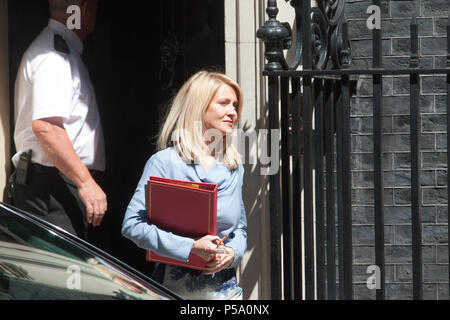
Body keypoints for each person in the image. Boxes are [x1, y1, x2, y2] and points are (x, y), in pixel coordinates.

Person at [122, 71, 247, 300]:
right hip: (172, 290)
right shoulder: (164, 163)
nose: (233, 112)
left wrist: (232, 252)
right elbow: (132, 225)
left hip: (225, 292)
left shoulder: (233, 166)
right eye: (224, 103)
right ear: (199, 106)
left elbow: (239, 229)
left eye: (235, 105)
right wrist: (190, 246)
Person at [10, 0, 107, 241]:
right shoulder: (55, 55)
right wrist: (85, 183)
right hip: (54, 188)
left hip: (57, 185)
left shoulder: (63, 51)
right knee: (63, 276)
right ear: (83, 9)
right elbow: (47, 127)